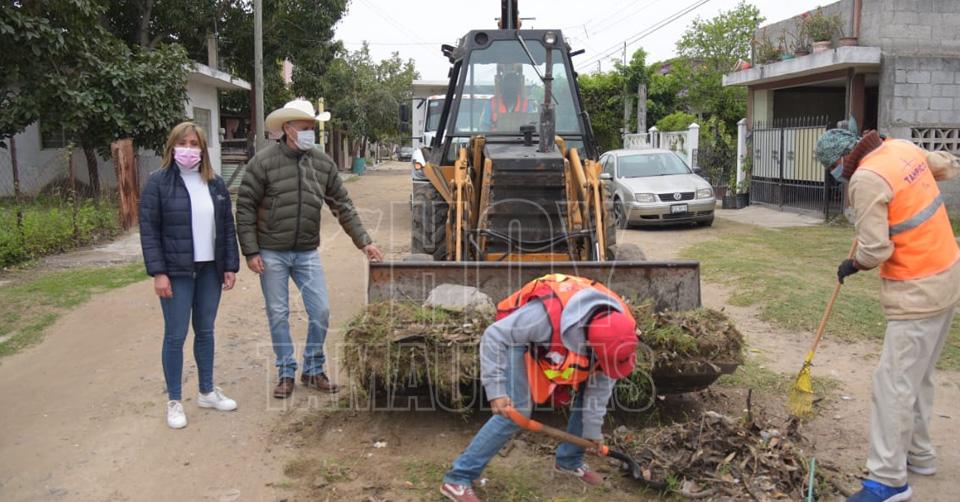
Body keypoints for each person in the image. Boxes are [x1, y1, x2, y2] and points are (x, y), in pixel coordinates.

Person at [815, 127, 960, 502]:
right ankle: (919, 454)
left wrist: (853, 264)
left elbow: (876, 249)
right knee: (919, 375)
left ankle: (888, 479)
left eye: (831, 168)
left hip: (917, 291)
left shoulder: (865, 179)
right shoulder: (899, 148)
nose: (835, 175)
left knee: (893, 384)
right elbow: (946, 165)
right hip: (947, 273)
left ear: (840, 161)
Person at [440, 274, 639, 502]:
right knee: (516, 411)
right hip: (515, 339)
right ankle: (458, 478)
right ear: (588, 343)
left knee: (588, 395)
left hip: (565, 337)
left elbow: (598, 390)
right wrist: (496, 390)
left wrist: (593, 433)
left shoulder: (620, 330)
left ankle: (569, 461)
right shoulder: (544, 316)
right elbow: (494, 335)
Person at [236, 99, 384, 399]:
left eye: (312, 128)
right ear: (288, 129)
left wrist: (365, 241)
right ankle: (286, 371)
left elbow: (343, 205)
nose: (310, 134)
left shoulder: (322, 163)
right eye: (305, 128)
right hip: (271, 251)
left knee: (321, 311)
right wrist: (251, 252)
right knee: (278, 313)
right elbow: (245, 207)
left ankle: (313, 368)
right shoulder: (262, 163)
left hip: (306, 251)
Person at [139, 122, 241, 429]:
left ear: (203, 149)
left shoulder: (215, 184)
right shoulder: (158, 183)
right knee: (176, 335)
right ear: (172, 147)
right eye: (182, 143)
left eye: (194, 144)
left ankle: (207, 391)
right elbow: (149, 232)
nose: (188, 149)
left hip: (210, 269)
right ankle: (174, 401)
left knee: (206, 331)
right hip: (177, 271)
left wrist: (230, 265)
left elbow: (226, 228)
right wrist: (159, 272)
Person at [481, 64, 536, 131]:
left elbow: (532, 127)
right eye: (508, 84)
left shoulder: (527, 105)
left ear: (518, 87)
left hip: (520, 138)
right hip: (496, 137)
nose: (510, 87)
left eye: (513, 84)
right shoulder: (490, 103)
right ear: (502, 86)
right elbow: (484, 127)